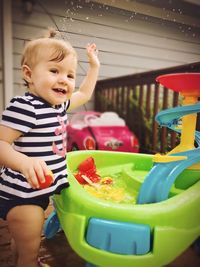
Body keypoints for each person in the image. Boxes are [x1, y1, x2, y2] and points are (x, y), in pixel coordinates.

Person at [0, 29, 100, 267]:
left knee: (23, 243)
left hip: (38, 190)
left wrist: (93, 67)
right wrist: (24, 162)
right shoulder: (26, 107)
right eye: (54, 71)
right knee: (30, 248)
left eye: (70, 75)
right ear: (29, 74)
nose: (64, 79)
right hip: (23, 194)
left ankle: (20, 259)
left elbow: (84, 93)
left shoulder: (58, 106)